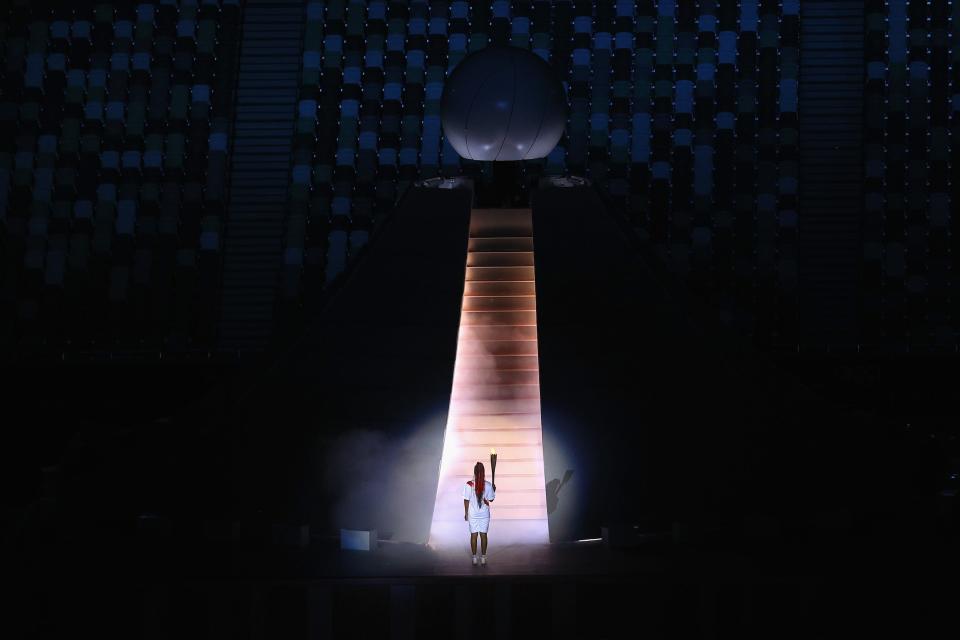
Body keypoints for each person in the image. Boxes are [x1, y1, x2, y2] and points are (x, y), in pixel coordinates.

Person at [463, 461, 496, 566]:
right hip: (484, 515)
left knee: (473, 535)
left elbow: (466, 500)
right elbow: (491, 500)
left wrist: (466, 513)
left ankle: (474, 558)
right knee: (483, 535)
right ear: (483, 472)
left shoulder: (469, 484)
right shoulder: (488, 485)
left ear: (474, 472)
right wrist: (493, 489)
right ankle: (483, 558)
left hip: (473, 514)